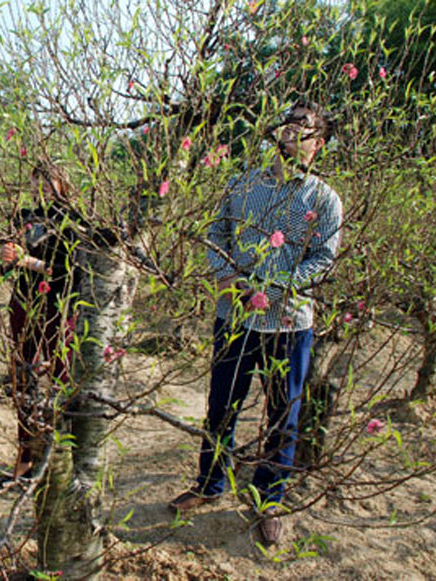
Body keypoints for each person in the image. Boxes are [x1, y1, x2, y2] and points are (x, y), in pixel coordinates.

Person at [168, 101, 342, 545]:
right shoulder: (242, 184)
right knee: (222, 404)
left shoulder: (323, 198)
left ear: (317, 144)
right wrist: (226, 277)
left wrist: (272, 284)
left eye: (301, 130)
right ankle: (210, 485)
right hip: (234, 316)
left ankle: (270, 498)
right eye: (285, 127)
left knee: (283, 414)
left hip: (289, 322)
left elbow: (323, 259)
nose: (290, 135)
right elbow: (216, 232)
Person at [0, 162, 81, 480]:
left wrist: (27, 260)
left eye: (49, 180)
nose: (42, 186)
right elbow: (6, 263)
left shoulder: (73, 221)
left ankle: (61, 452)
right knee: (23, 377)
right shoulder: (23, 217)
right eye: (37, 181)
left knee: (60, 377)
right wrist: (7, 260)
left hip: (57, 307)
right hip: (23, 302)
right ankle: (26, 450)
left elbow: (67, 268)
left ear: (63, 183)